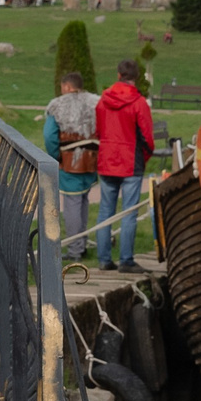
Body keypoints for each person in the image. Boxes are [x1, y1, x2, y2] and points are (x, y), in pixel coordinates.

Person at [92, 57, 155, 272]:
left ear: (118, 75)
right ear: (136, 77)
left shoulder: (103, 100)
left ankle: (103, 259)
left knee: (105, 210)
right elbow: (147, 137)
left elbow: (98, 130)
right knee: (129, 212)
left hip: (108, 158)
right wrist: (145, 157)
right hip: (131, 161)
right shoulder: (139, 103)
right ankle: (126, 259)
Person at [41, 69, 100, 262]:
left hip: (69, 161)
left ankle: (75, 249)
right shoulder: (96, 102)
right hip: (92, 159)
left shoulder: (57, 105)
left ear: (67, 86)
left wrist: (56, 157)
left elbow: (50, 136)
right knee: (83, 201)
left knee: (72, 204)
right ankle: (81, 244)